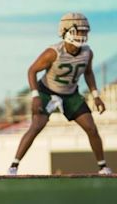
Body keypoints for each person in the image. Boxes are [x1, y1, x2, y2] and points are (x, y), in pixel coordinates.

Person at [8, 12, 112, 175]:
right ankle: (13, 166)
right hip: (46, 92)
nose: (83, 35)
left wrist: (96, 95)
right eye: (79, 31)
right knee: (36, 126)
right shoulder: (53, 52)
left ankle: (103, 166)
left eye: (85, 31)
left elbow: (89, 73)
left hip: (70, 94)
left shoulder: (87, 52)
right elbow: (32, 70)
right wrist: (35, 96)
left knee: (91, 128)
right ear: (66, 31)